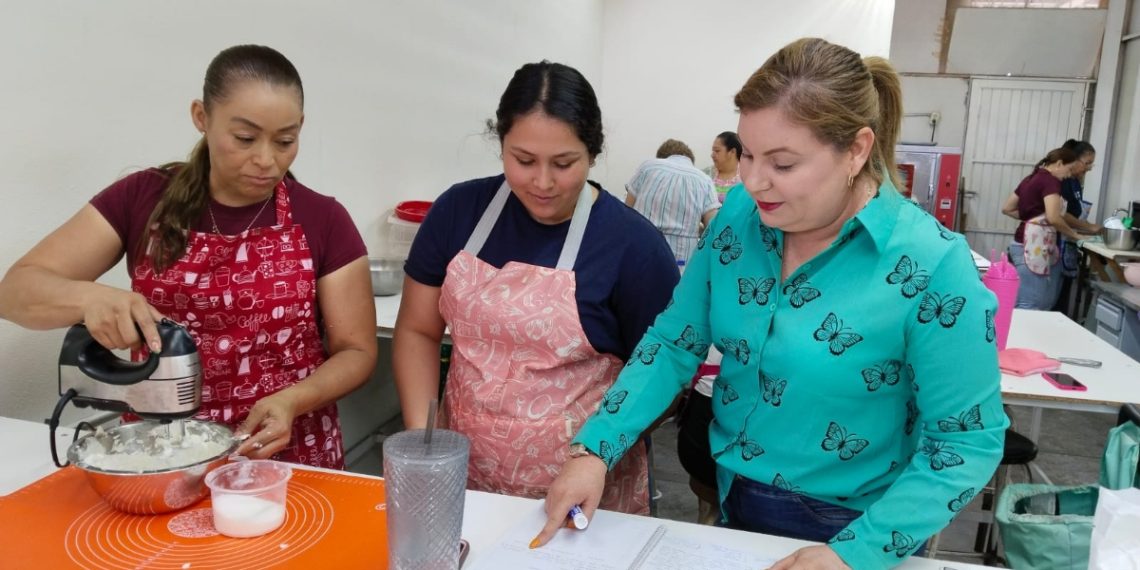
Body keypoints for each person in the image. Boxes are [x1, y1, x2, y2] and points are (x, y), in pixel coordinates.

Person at [537, 38, 1008, 570]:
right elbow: (675, 342)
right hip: (734, 489)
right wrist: (595, 449)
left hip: (859, 523)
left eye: (782, 164)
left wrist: (854, 555)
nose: (752, 182)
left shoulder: (930, 264)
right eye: (748, 154)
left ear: (856, 150)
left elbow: (966, 439)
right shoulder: (740, 215)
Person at [0, 45, 377, 470]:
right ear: (202, 117)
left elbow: (357, 351)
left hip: (285, 452)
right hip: (162, 449)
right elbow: (14, 292)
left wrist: (294, 399)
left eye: (286, 140)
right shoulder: (142, 198)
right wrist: (88, 299)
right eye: (245, 138)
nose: (266, 160)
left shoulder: (321, 217)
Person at [392, 61, 678, 515]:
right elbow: (418, 331)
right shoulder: (457, 213)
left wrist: (596, 452)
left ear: (593, 152)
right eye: (522, 160)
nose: (542, 183)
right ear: (500, 143)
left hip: (583, 490)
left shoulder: (633, 246)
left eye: (564, 164)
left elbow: (665, 376)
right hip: (466, 474)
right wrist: (425, 442)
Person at [1000, 147, 1098, 310]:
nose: (1068, 175)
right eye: (1068, 170)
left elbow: (1007, 208)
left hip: (1018, 245)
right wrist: (1076, 235)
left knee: (1023, 301)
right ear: (1059, 164)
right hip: (1032, 249)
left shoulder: (1030, 178)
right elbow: (1054, 217)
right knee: (1030, 305)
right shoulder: (1050, 181)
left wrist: (1031, 219)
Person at [624, 138, 720, 264]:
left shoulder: (648, 167)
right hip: (681, 263)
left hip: (640, 255)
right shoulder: (704, 179)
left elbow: (626, 214)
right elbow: (713, 227)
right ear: (690, 160)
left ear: (661, 157)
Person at [1054, 139, 1101, 313]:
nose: (1089, 168)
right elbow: (1062, 215)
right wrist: (1088, 229)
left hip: (1069, 242)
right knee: (1056, 297)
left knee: (1064, 294)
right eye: (1087, 163)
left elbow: (1074, 211)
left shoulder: (1075, 182)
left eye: (1091, 165)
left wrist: (1088, 227)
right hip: (1059, 243)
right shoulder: (1063, 180)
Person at [706, 131, 743, 202]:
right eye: (713, 151)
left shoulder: (746, 177)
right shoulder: (708, 174)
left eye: (717, 151)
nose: (712, 155)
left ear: (732, 152)